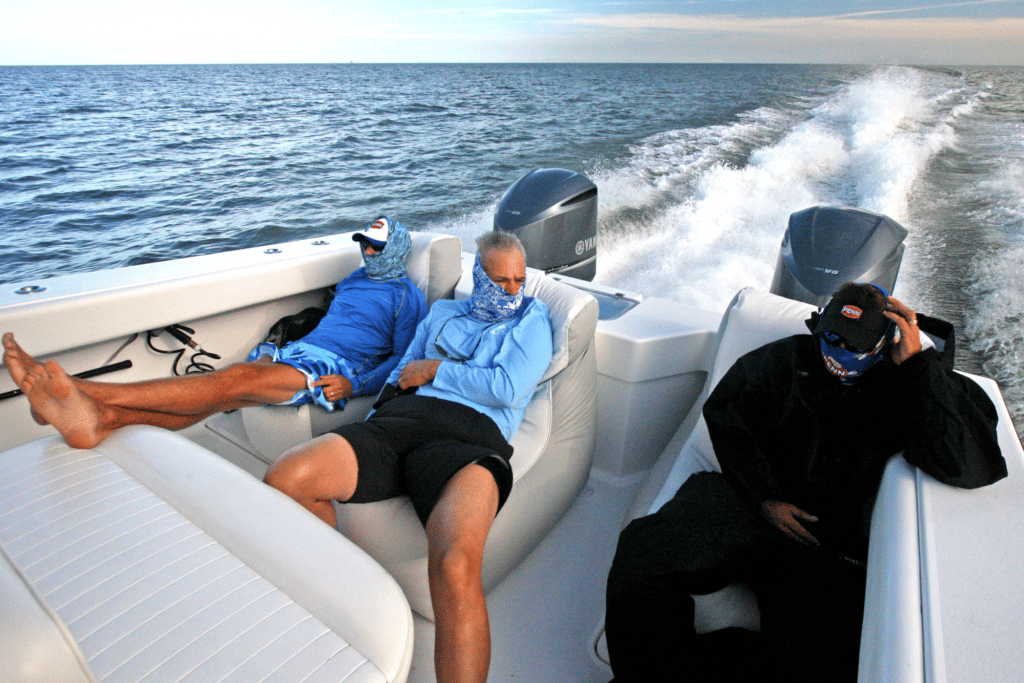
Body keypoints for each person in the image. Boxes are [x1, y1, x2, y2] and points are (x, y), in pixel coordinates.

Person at [604, 282, 1007, 682]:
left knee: (817, 668)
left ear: (886, 341)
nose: (838, 353)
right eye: (831, 338)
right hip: (752, 504)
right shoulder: (785, 360)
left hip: (825, 544)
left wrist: (919, 366)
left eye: (854, 345)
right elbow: (726, 416)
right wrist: (763, 496)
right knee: (643, 553)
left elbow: (966, 463)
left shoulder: (913, 384)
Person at [262, 230, 553, 683]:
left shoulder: (532, 321)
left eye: (519, 280)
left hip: (468, 435)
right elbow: (401, 371)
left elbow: (509, 388)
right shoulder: (443, 313)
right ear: (480, 278)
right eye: (501, 281)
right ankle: (353, 607)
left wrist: (436, 370)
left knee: (455, 563)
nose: (512, 291)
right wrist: (381, 410)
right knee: (287, 478)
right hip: (398, 423)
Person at [2, 216, 427, 450]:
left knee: (229, 381)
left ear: (398, 250)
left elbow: (402, 360)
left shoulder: (407, 298)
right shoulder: (355, 277)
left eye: (378, 247)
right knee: (222, 394)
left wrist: (354, 385)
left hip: (334, 369)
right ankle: (100, 421)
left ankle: (82, 391)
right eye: (365, 244)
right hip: (302, 350)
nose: (368, 252)